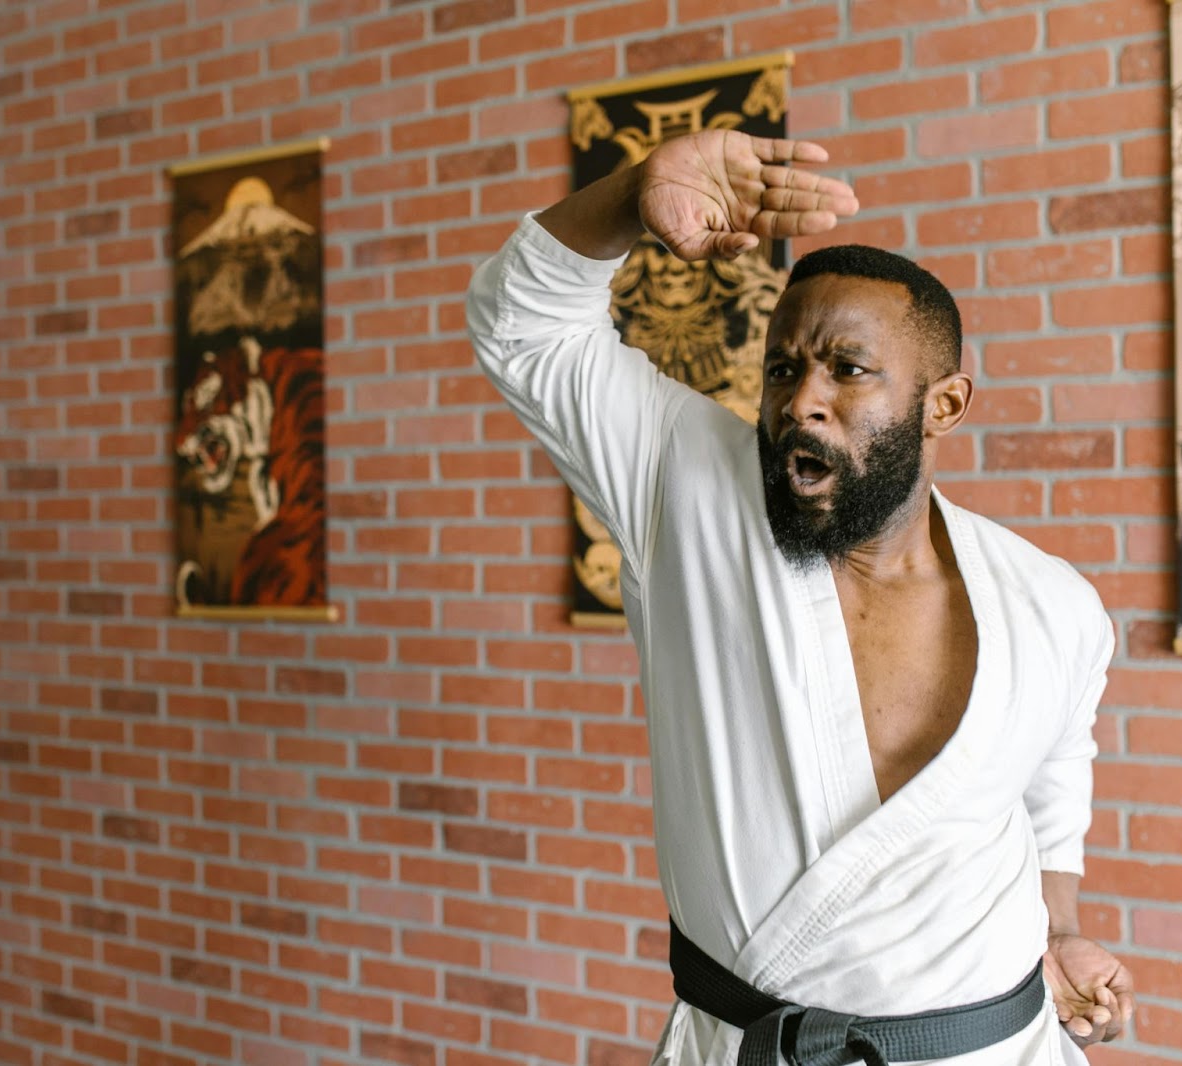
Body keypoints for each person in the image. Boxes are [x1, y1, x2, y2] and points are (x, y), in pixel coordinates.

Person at [465, 130, 1132, 1065]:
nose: (801, 401)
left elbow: (1055, 772)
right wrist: (629, 194)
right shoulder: (686, 486)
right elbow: (522, 325)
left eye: (847, 371)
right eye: (784, 368)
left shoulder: (1053, 605)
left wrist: (1059, 930)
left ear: (943, 405)